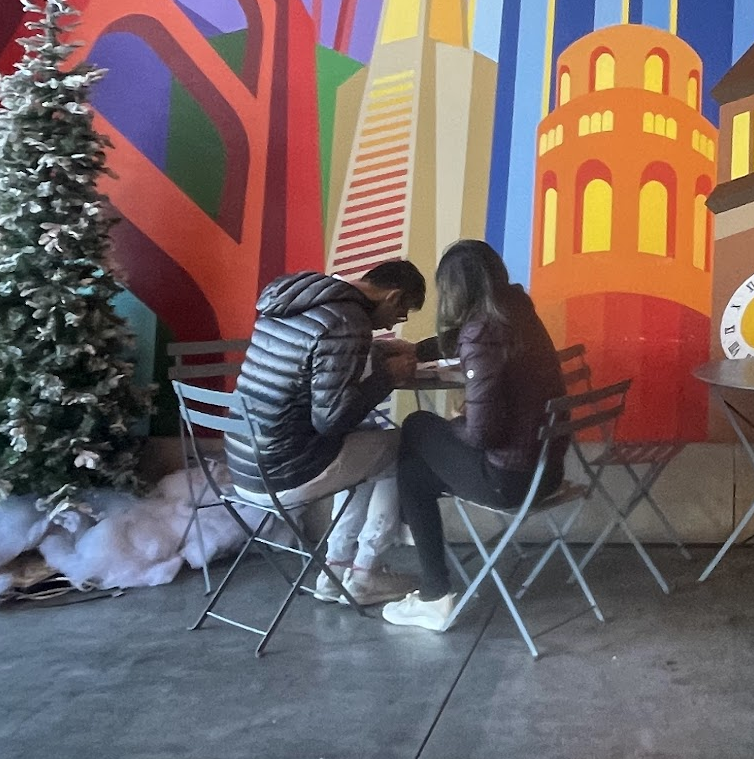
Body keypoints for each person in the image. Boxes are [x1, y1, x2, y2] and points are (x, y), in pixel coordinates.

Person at [382, 239, 570, 633]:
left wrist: (457, 421)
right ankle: (430, 580)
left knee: (417, 427)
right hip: (546, 471)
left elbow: (483, 434)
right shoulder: (518, 313)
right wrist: (419, 351)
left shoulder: (481, 331)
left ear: (454, 289)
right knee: (415, 474)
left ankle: (432, 588)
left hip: (510, 480)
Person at [228, 258, 426, 605]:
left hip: (245, 464)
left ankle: (334, 570)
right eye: (403, 312)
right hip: (285, 472)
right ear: (393, 297)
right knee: (405, 445)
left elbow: (308, 359)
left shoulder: (299, 300)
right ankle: (366, 573)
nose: (400, 321)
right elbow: (332, 420)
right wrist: (388, 377)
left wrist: (373, 351)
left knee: (365, 440)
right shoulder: (348, 321)